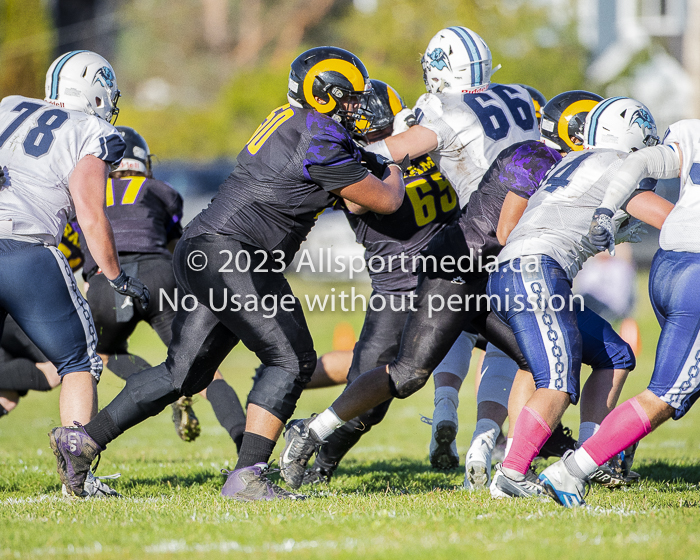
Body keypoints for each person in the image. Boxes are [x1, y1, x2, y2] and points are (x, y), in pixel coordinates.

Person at [49, 46, 406, 501]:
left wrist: (378, 154)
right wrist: (394, 162)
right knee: (291, 358)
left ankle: (83, 441)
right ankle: (249, 476)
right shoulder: (319, 134)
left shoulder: (293, 121)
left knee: (183, 374)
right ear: (325, 96)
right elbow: (384, 199)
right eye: (350, 97)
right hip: (235, 254)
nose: (357, 106)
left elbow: (349, 192)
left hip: (205, 249)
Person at [485, 97, 674, 499]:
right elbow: (669, 219)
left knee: (615, 354)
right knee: (556, 378)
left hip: (521, 272)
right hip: (534, 270)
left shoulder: (577, 160)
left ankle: (592, 456)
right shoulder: (616, 164)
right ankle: (511, 473)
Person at [297, 79, 474, 482]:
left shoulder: (426, 143)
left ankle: (519, 447)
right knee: (368, 400)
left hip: (452, 277)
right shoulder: (358, 162)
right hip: (399, 290)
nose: (361, 123)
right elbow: (359, 200)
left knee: (519, 351)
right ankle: (319, 463)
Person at [0, 50, 149, 498]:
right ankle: (78, 481)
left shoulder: (8, 106)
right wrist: (116, 275)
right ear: (98, 91)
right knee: (79, 361)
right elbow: (89, 211)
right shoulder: (94, 130)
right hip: (27, 249)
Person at [538, 117, 697, 507]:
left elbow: (640, 162)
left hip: (670, 263)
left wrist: (607, 209)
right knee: (667, 393)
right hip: (696, 273)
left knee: (678, 384)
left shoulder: (692, 130)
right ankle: (572, 471)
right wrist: (606, 210)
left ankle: (618, 447)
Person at [82, 126, 247, 448]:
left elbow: (78, 247)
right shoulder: (161, 190)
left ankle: (164, 393)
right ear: (144, 162)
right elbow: (177, 246)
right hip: (159, 277)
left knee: (105, 353)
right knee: (205, 369)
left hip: (106, 280)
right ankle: (246, 445)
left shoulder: (87, 191)